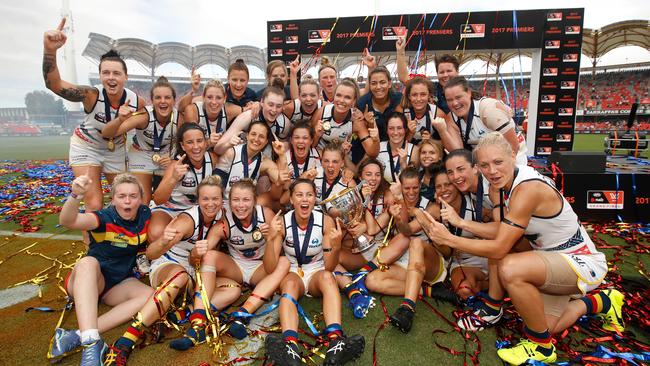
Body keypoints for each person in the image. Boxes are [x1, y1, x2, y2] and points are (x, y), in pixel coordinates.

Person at [418, 133, 623, 365]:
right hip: (551, 258)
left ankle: (541, 348)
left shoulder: (526, 189)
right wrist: (461, 223)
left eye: (498, 162)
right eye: (485, 165)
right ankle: (604, 301)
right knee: (545, 325)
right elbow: (502, 229)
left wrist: (450, 239)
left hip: (578, 260)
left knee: (510, 266)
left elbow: (499, 247)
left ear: (513, 156)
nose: (492, 170)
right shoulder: (505, 184)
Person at [104, 175, 225, 365]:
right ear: (198, 200)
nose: (211, 203)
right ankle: (126, 340)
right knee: (180, 276)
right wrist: (163, 241)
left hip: (196, 271)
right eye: (205, 199)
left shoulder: (223, 217)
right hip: (169, 265)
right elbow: (151, 254)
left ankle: (176, 315)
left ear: (222, 200)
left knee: (231, 287)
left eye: (215, 199)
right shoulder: (187, 221)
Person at [168, 179, 290, 350]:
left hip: (261, 268)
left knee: (284, 262)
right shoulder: (224, 223)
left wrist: (271, 240)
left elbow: (270, 267)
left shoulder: (267, 216)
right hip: (236, 268)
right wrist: (196, 253)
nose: (241, 205)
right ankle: (198, 321)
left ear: (254, 201)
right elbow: (196, 259)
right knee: (209, 256)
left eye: (246, 200)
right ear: (229, 202)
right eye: (236, 200)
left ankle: (242, 314)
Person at [43, 18, 145, 214]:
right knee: (95, 203)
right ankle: (91, 243)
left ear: (126, 77)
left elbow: (144, 123)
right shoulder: (91, 95)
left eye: (116, 73)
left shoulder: (136, 101)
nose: (111, 77)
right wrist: (50, 50)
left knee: (125, 198)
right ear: (99, 76)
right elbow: (54, 85)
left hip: (115, 149)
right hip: (86, 147)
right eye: (105, 73)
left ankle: (122, 238)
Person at [50, 173, 153, 365]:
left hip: (118, 282)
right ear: (113, 199)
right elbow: (68, 221)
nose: (128, 201)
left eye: (133, 196)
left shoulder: (145, 214)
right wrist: (75, 196)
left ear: (141, 198)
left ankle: (76, 336)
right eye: (122, 196)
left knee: (150, 295)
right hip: (89, 280)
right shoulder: (104, 218)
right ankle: (91, 346)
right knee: (88, 263)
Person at [264, 178, 365, 366]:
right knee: (289, 284)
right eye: (299, 195)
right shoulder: (282, 223)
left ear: (315, 199)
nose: (305, 199)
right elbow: (270, 268)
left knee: (328, 277)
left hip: (317, 271)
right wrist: (271, 239)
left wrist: (335, 247)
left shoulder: (325, 221)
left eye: (309, 195)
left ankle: (336, 342)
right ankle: (290, 346)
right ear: (292, 200)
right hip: (294, 272)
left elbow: (329, 266)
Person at [102, 76, 179, 204]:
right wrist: (120, 119)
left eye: (167, 97)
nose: (163, 101)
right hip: (141, 154)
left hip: (167, 156)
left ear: (174, 100)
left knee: (168, 199)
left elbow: (189, 143)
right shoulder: (144, 116)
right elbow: (107, 133)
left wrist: (174, 160)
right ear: (152, 101)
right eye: (158, 98)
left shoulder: (179, 118)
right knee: (143, 200)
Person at [150, 123, 217, 242]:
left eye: (199, 141)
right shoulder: (176, 165)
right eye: (190, 142)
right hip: (171, 208)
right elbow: (158, 199)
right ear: (183, 145)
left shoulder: (213, 159)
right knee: (156, 233)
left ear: (206, 142)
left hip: (198, 209)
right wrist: (173, 179)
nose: (196, 147)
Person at [444, 76, 528, 165]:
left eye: (458, 97)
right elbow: (459, 153)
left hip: (513, 155)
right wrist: (442, 130)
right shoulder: (451, 117)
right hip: (485, 159)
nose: (455, 103)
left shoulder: (488, 109)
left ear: (469, 93)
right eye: (449, 100)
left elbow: (513, 145)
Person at [213, 120, 284, 202]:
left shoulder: (264, 161)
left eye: (261, 136)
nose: (256, 139)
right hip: (223, 202)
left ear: (266, 142)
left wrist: (282, 155)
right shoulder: (231, 153)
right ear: (247, 135)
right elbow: (215, 182)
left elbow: (284, 183)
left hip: (245, 205)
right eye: (253, 134)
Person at [312, 79, 380, 163]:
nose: (341, 100)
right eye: (339, 95)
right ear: (334, 96)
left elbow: (372, 153)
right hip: (320, 158)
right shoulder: (321, 113)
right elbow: (309, 145)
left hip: (343, 161)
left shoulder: (356, 120)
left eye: (347, 97)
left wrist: (376, 140)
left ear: (354, 101)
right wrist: (316, 136)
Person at [214, 86, 291, 158]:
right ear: (262, 102)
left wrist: (285, 146)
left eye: (278, 106)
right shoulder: (248, 117)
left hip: (264, 162)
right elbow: (217, 149)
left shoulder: (284, 124)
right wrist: (229, 144)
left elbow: (284, 147)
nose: (274, 110)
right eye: (270, 105)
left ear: (283, 107)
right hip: (240, 160)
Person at [180, 77, 243, 147]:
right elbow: (192, 145)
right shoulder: (193, 110)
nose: (214, 102)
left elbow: (249, 112)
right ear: (203, 97)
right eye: (209, 97)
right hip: (197, 152)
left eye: (218, 98)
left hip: (218, 152)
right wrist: (209, 142)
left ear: (224, 98)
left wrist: (255, 105)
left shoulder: (229, 110)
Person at [402, 77, 461, 150]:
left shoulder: (437, 113)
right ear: (409, 96)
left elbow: (448, 145)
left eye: (423, 94)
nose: (418, 99)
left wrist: (431, 141)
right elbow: (398, 145)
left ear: (429, 95)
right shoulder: (402, 112)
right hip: (408, 155)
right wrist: (410, 134)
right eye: (414, 95)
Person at [376, 112, 419, 183]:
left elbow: (412, 183)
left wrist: (403, 164)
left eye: (399, 128)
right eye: (391, 128)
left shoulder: (414, 150)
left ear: (405, 130)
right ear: (386, 130)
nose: (395, 132)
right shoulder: (379, 147)